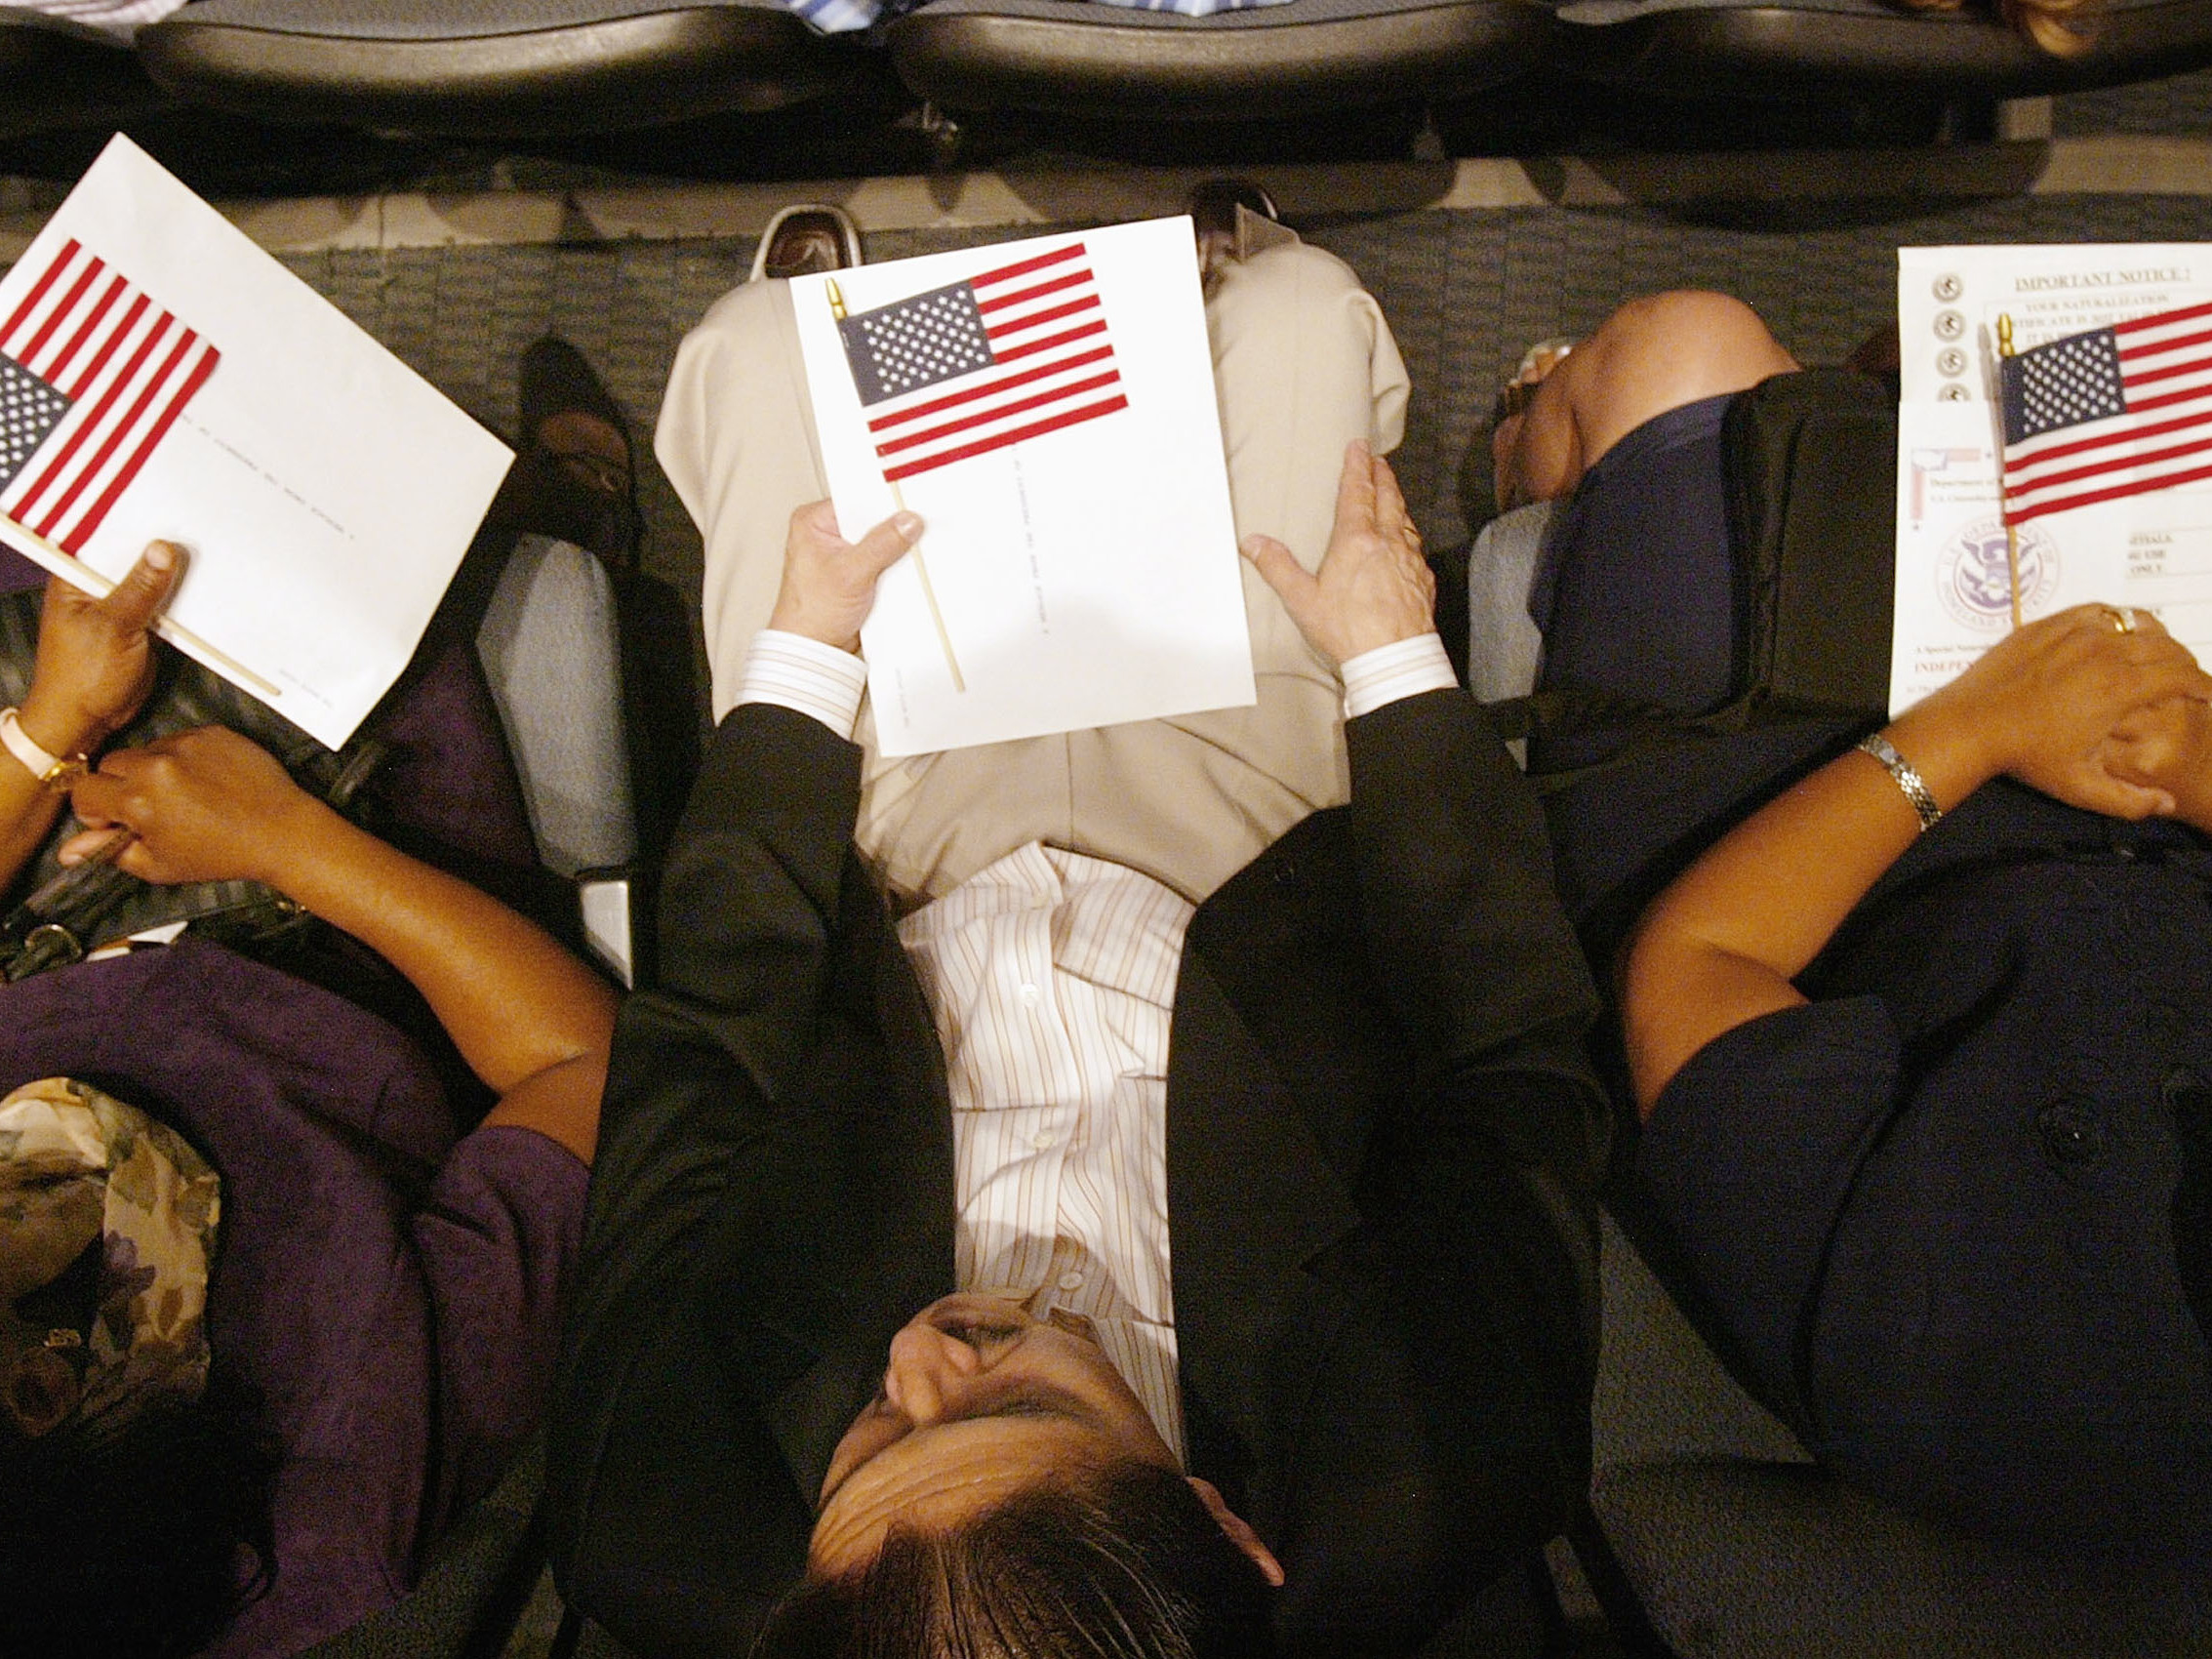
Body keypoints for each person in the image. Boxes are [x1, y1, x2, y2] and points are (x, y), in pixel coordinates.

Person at [546, 212, 1609, 1656]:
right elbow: (1510, 1050)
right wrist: (1390, 660)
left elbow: (704, 1070)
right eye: (1021, 1404)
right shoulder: (1441, 1461)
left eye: (873, 1439)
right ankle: (1175, 278)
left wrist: (800, 665)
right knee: (1302, 310)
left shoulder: (658, 1521)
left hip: (891, 862)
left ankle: (905, 308)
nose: (926, 1360)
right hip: (1245, 853)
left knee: (749, 358)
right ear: (1225, 1522)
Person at [1480, 287, 2212, 1548]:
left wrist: (1973, 732)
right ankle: (1867, 388)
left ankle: (1525, 448)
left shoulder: (2001, 1386)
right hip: (2158, 775)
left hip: (1790, 828)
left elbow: (1703, 966)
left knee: (1685, 347)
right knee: (2074, 357)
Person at [0, 337, 634, 1659]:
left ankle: (521, 500)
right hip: (345, 907)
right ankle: (555, 511)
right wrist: (283, 842)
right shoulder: (343, 1488)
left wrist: (41, 736)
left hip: (40, 903)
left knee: (51, 436)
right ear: (42, 1390)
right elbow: (588, 1075)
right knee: (280, 477)